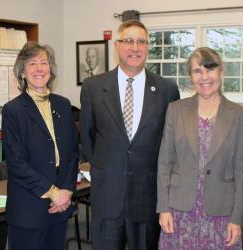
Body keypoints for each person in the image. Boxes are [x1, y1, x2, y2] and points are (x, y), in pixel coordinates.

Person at [80, 20, 179, 250]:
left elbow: (170, 144)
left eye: (141, 42)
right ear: (117, 45)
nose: (135, 47)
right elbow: (87, 136)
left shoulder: (167, 90)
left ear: (147, 47)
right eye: (128, 41)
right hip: (107, 196)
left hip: (147, 198)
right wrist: (106, 168)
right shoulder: (93, 87)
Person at [157, 47, 243, 249]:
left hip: (221, 213)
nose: (205, 77)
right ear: (190, 76)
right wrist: (163, 208)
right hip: (179, 212)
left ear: (221, 72)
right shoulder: (176, 110)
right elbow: (164, 163)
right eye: (197, 71)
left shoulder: (238, 115)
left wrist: (237, 218)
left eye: (210, 70)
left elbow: (241, 170)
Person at [2, 42, 79, 250]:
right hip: (29, 207)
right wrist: (54, 192)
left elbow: (72, 153)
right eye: (32, 63)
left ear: (51, 70)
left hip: (60, 206)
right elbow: (16, 163)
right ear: (22, 72)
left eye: (44, 63)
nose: (39, 69)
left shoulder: (63, 104)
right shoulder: (13, 111)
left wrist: (67, 191)